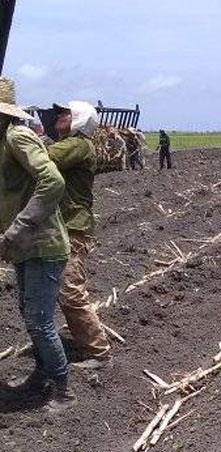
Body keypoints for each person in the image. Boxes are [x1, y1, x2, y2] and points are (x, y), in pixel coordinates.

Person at [0, 78, 74, 411]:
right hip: (23, 246)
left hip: (43, 243)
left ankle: (63, 390)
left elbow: (53, 180)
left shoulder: (16, 137)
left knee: (40, 318)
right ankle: (43, 372)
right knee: (28, 315)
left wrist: (21, 225)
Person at [48, 101, 111, 369]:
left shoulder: (78, 145)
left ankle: (99, 353)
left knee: (70, 291)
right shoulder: (70, 144)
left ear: (79, 120)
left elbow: (43, 157)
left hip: (72, 228)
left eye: (65, 113)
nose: (59, 116)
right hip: (60, 226)